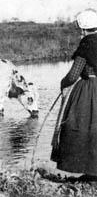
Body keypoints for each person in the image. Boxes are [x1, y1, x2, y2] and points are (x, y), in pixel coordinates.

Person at [51, 9, 97, 180]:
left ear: (83, 29)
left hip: (90, 91)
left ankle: (91, 173)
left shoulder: (86, 44)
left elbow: (73, 75)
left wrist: (63, 84)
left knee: (82, 126)